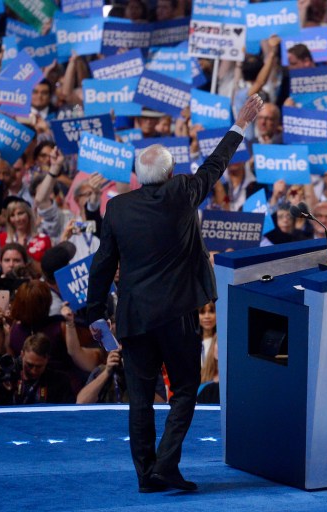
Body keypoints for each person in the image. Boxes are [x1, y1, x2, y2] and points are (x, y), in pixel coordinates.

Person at [86, 93, 263, 493]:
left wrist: (94, 314)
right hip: (177, 315)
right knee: (184, 389)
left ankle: (146, 474)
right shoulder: (182, 191)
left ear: (138, 176)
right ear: (167, 175)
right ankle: (166, 465)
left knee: (141, 397)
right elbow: (215, 165)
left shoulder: (116, 209)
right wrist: (239, 125)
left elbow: (101, 265)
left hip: (133, 317)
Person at [0, 333, 75, 406]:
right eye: (29, 365)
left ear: (47, 360)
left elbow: (67, 416)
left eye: (39, 366)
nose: (33, 370)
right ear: (22, 355)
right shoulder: (6, 373)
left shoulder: (59, 382)